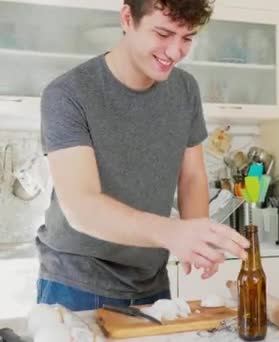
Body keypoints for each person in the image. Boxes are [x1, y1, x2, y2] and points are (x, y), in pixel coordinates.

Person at [37, 0, 249, 310]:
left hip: (152, 281)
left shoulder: (185, 89)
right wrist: (172, 232)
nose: (176, 51)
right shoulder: (68, 94)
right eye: (163, 33)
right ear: (127, 18)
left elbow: (191, 176)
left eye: (187, 37)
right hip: (75, 283)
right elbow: (80, 205)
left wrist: (199, 237)